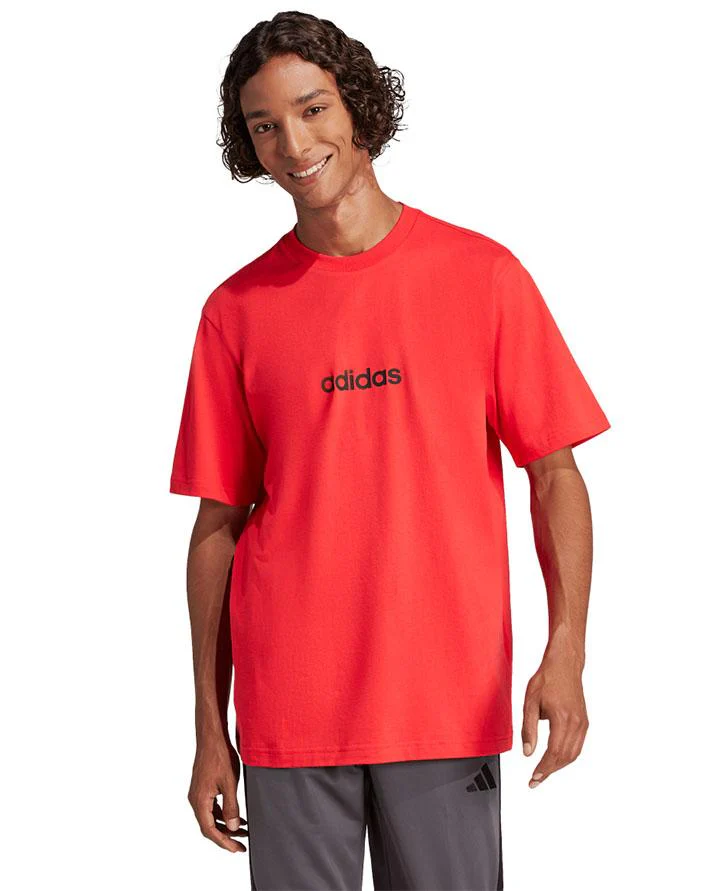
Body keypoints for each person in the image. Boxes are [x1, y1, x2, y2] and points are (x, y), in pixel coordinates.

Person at [169, 11, 611, 890]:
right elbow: (218, 525)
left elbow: (554, 473)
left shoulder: (482, 276)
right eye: (264, 125)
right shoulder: (235, 310)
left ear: (359, 109)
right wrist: (209, 728)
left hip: (442, 702)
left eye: (312, 109)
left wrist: (565, 650)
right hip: (290, 713)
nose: (294, 144)